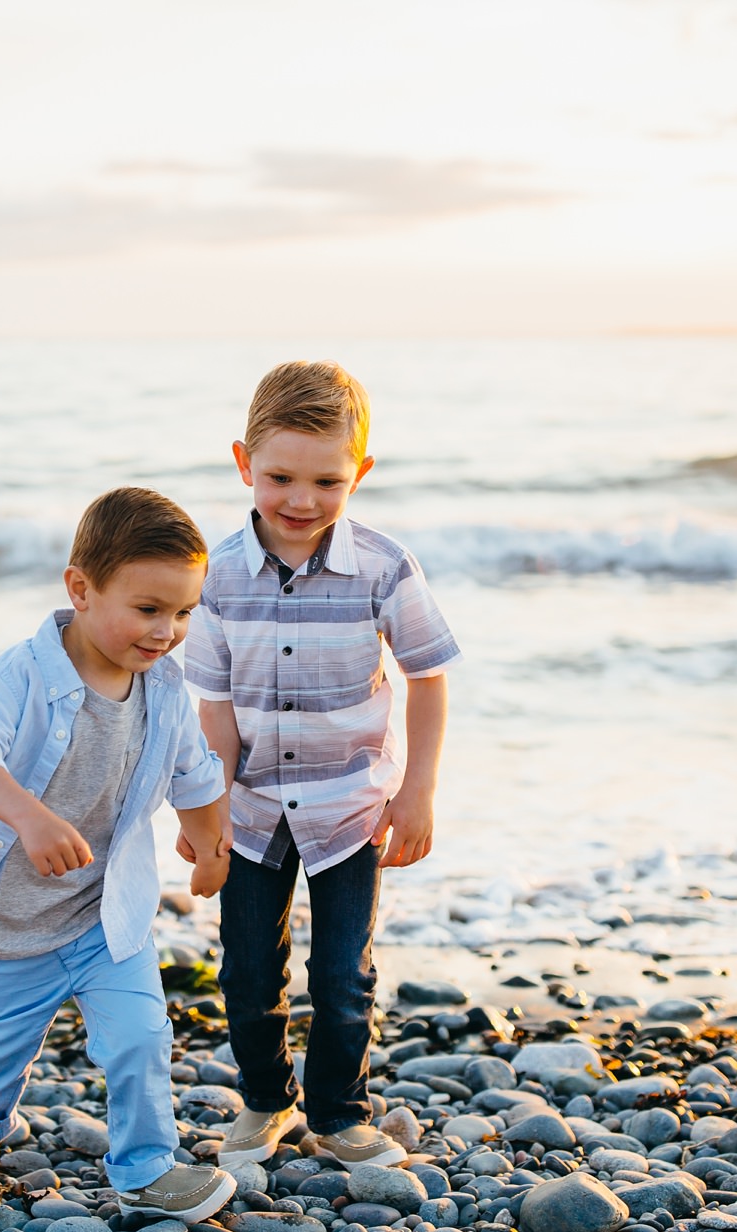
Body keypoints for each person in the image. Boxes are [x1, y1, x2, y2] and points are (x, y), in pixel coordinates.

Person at [0, 486, 238, 1220]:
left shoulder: (165, 691)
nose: (167, 632)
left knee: (142, 1037)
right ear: (80, 588)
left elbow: (197, 773)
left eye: (183, 612)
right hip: (16, 922)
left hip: (106, 919)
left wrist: (211, 844)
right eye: (148, 610)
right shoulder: (20, 674)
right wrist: (31, 818)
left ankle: (145, 1168)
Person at [184, 361, 459, 1169]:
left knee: (343, 977)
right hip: (252, 811)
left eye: (327, 481)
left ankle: (339, 1113)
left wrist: (418, 793)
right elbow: (214, 709)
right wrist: (206, 813)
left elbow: (428, 676)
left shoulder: (384, 566)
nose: (301, 500)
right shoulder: (218, 575)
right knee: (244, 974)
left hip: (351, 807)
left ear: (360, 474)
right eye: (280, 477)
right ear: (244, 463)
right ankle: (267, 1101)